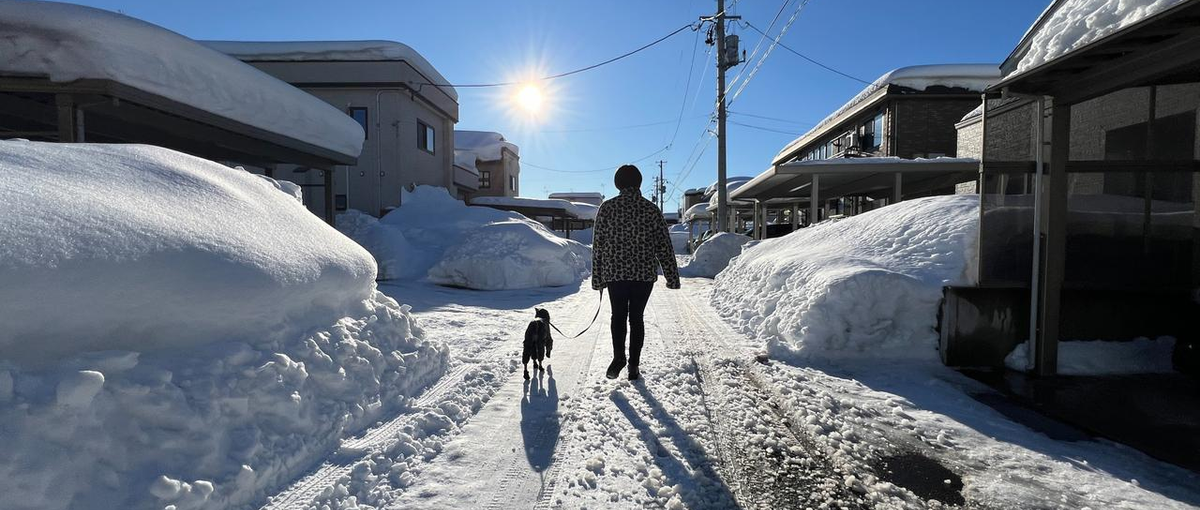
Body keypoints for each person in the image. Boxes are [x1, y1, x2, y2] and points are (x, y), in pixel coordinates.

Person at [591, 164, 681, 381]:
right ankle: (633, 365)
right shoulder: (651, 210)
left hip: (615, 274)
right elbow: (664, 245)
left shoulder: (607, 208)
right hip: (643, 275)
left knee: (618, 316)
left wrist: (597, 278)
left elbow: (598, 246)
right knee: (636, 318)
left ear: (617, 183)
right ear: (639, 183)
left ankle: (618, 357)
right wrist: (672, 277)